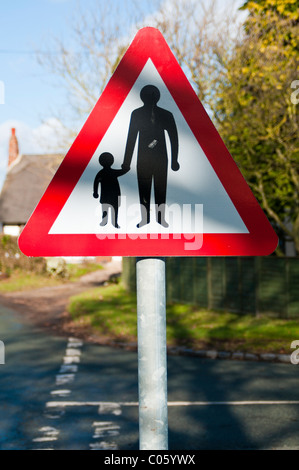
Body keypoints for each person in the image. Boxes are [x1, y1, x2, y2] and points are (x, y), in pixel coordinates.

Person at [122, 85, 179, 228]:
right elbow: (131, 139)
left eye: (153, 95)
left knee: (161, 188)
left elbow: (174, 138)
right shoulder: (137, 114)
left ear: (158, 96)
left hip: (161, 159)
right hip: (143, 159)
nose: (151, 98)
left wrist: (174, 160)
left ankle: (161, 219)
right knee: (144, 188)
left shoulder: (166, 114)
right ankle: (145, 219)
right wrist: (126, 162)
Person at [93, 152, 127, 228]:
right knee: (107, 208)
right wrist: (95, 192)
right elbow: (96, 182)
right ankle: (106, 221)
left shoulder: (104, 172)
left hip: (112, 195)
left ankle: (114, 223)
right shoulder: (105, 173)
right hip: (108, 194)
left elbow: (96, 182)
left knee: (113, 209)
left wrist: (95, 192)